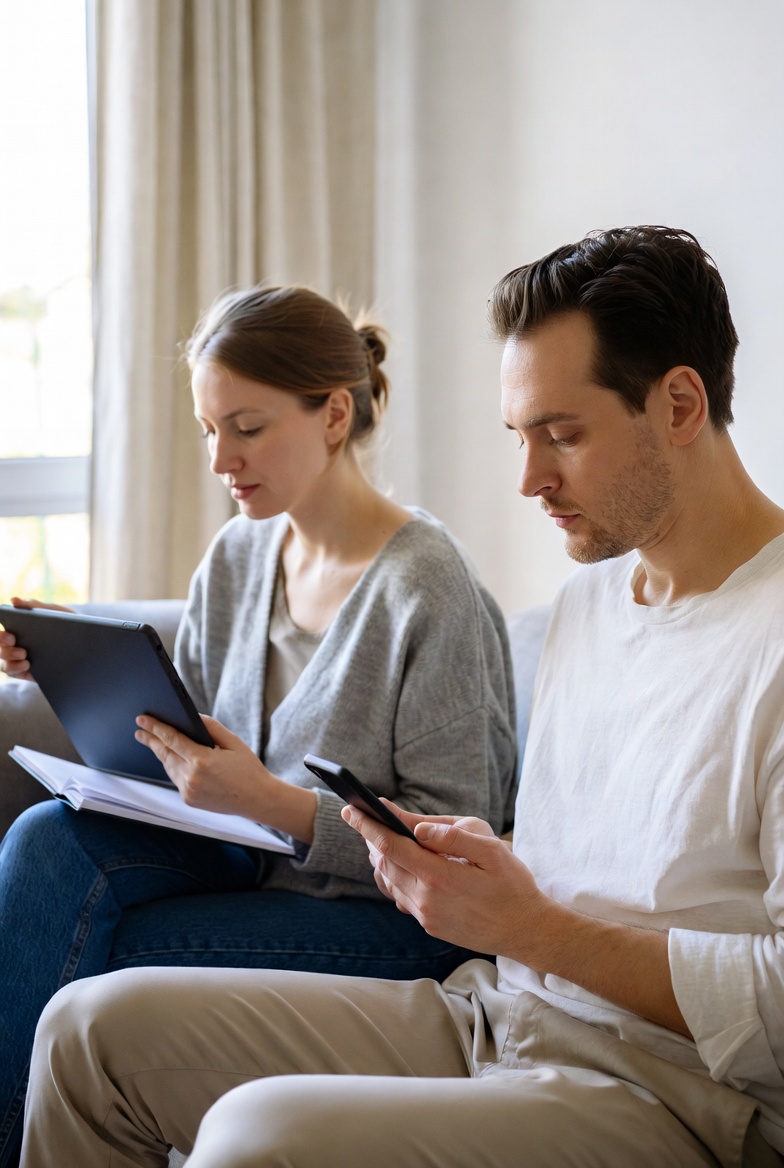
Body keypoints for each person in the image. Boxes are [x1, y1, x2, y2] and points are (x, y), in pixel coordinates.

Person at [21, 223, 784, 1168]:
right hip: (501, 1011)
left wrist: (531, 926)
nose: (528, 479)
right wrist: (475, 863)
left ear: (678, 403)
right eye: (518, 435)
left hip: (670, 1089)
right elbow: (575, 872)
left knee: (256, 1140)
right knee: (90, 1030)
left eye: (562, 435)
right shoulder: (590, 605)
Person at [0, 286, 518, 1168]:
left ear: (333, 414)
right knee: (46, 841)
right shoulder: (239, 556)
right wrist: (72, 663)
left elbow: (458, 851)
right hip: (246, 872)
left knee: (101, 941)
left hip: (396, 928)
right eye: (209, 430)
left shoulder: (427, 590)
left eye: (246, 427)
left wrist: (281, 805)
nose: (220, 460)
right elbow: (188, 742)